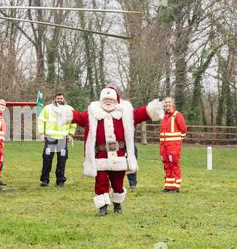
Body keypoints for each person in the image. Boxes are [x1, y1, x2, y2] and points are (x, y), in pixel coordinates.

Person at [64, 86, 164, 216]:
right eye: (105, 99)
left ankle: (117, 204)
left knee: (118, 182)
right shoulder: (92, 112)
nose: (108, 101)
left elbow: (140, 114)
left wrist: (151, 109)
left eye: (110, 99)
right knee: (101, 182)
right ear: (100, 100)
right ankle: (103, 207)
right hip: (100, 155)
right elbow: (80, 118)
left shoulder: (125, 112)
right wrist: (66, 113)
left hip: (119, 155)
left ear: (116, 100)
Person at [38, 93, 77, 187]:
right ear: (55, 99)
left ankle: (60, 180)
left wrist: (71, 134)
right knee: (47, 159)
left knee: (62, 160)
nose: (59, 100)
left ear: (64, 99)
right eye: (58, 98)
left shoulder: (69, 109)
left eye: (61, 98)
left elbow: (73, 122)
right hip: (50, 137)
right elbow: (41, 120)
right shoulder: (47, 108)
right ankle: (44, 180)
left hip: (63, 139)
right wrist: (42, 134)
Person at [160, 97, 187, 193]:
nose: (167, 104)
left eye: (169, 102)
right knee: (167, 165)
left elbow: (183, 130)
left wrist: (177, 141)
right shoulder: (163, 116)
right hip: (164, 146)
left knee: (174, 165)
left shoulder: (177, 115)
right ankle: (168, 186)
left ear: (173, 104)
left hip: (173, 146)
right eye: (166, 102)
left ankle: (175, 187)